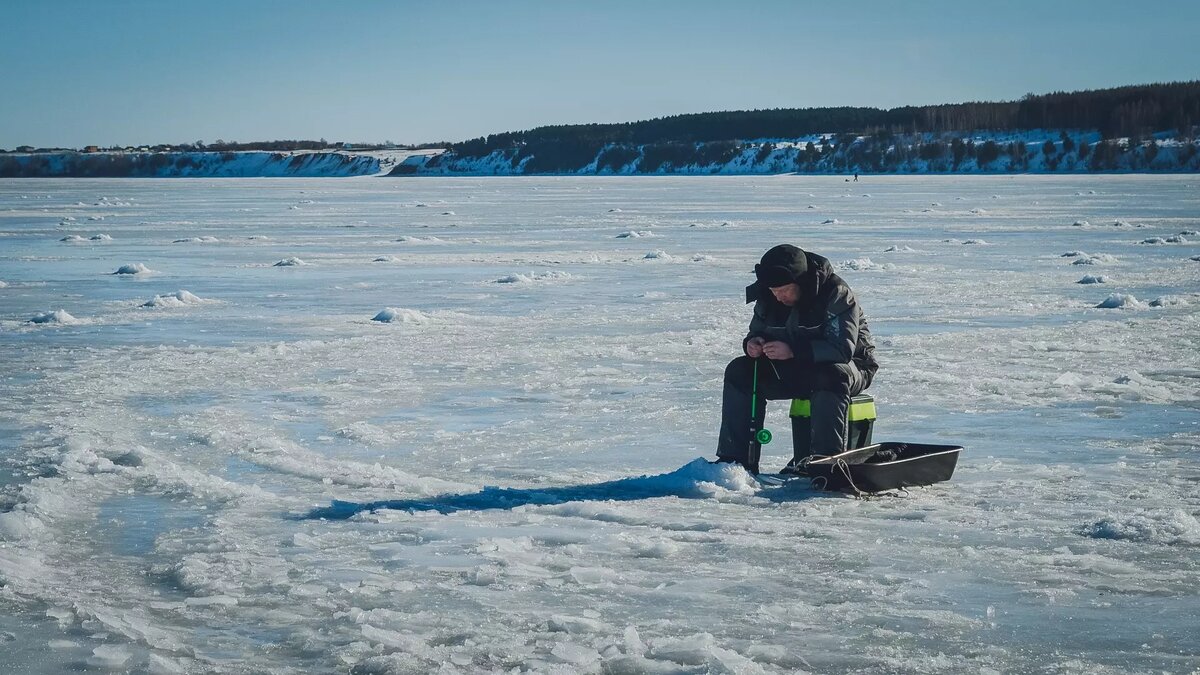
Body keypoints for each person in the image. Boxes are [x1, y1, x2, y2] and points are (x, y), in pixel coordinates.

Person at [715, 244, 878, 474]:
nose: (779, 296)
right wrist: (753, 344)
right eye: (774, 291)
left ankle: (826, 464)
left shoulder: (836, 293)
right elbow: (757, 330)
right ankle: (735, 462)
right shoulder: (768, 295)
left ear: (800, 282)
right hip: (793, 367)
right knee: (740, 370)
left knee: (831, 374)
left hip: (850, 368)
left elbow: (842, 349)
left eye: (785, 290)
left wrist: (793, 351)